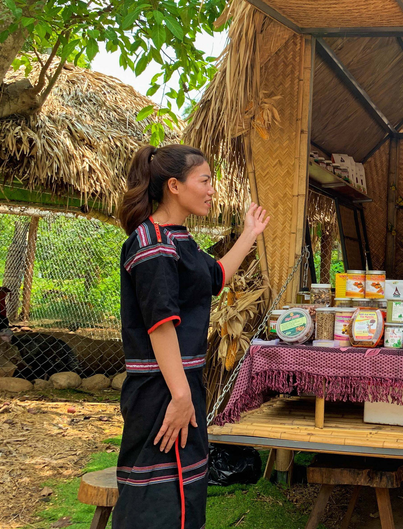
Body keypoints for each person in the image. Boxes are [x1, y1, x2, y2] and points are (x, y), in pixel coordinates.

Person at [114, 144, 270, 529]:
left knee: (186, 499)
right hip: (160, 393)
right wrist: (181, 397)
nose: (212, 189)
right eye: (205, 180)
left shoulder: (178, 239)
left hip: (183, 389)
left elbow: (215, 277)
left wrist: (251, 232)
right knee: (155, 504)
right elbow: (160, 325)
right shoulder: (151, 244)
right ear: (174, 186)